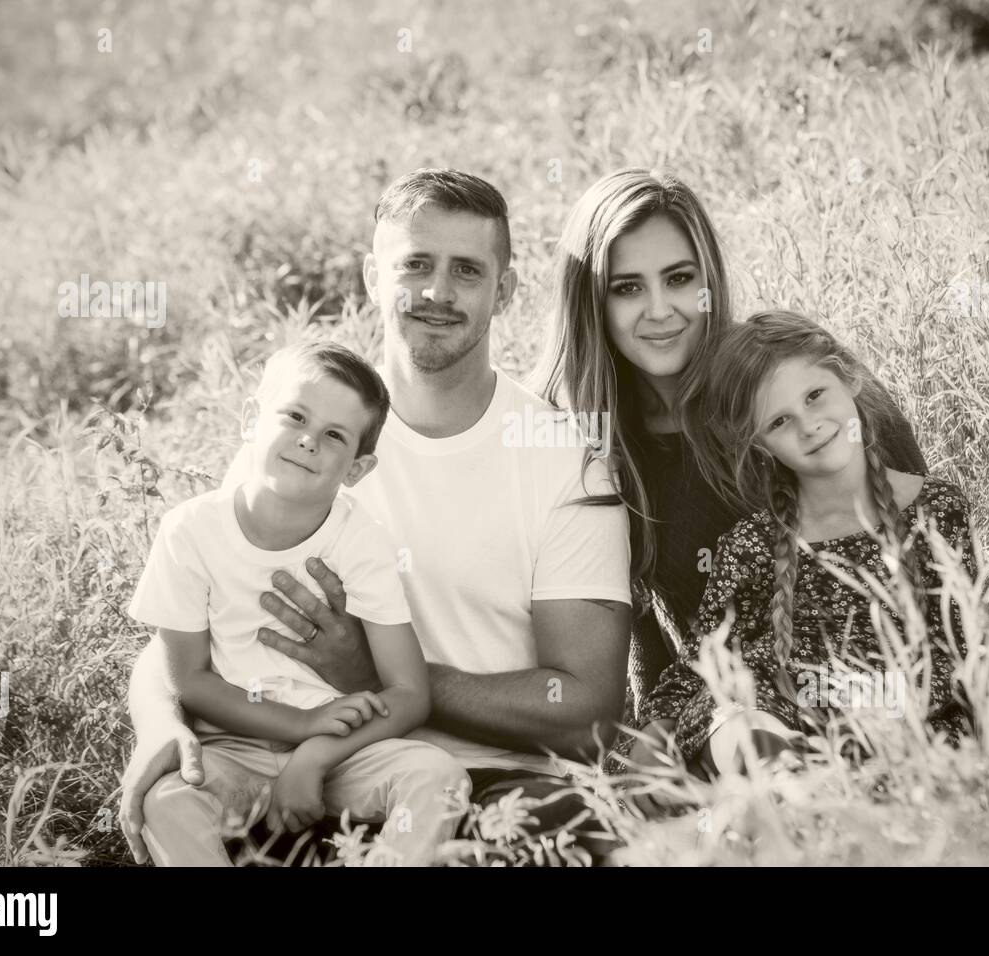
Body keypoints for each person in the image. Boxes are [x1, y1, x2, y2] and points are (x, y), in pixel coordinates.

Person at [120, 169, 632, 865]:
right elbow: (191, 624)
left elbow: (586, 716)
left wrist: (380, 675)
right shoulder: (312, 432)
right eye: (415, 264)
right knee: (180, 804)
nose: (437, 292)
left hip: (492, 781)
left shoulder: (561, 460)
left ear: (504, 292)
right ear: (372, 276)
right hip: (296, 768)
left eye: (467, 271)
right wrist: (156, 723)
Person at [532, 168, 928, 776]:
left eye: (680, 278)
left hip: (870, 692)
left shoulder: (793, 386)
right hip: (711, 724)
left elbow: (920, 533)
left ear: (709, 280)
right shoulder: (577, 439)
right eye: (628, 288)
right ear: (593, 301)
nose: (661, 311)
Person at [128, 341, 469, 865]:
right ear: (251, 419)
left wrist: (314, 752)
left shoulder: (361, 541)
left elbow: (409, 693)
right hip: (234, 749)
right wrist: (298, 725)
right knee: (168, 799)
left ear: (356, 469)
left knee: (439, 777)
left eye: (335, 435)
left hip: (341, 753)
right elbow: (190, 680)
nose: (308, 440)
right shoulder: (190, 531)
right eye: (294, 416)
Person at [634, 312, 977, 774]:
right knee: (746, 727)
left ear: (850, 378)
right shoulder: (752, 545)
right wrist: (642, 752)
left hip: (900, 725)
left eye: (815, 396)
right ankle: (784, 795)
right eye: (779, 421)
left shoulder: (937, 511)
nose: (809, 425)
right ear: (758, 444)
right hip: (770, 722)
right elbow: (697, 666)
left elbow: (968, 653)